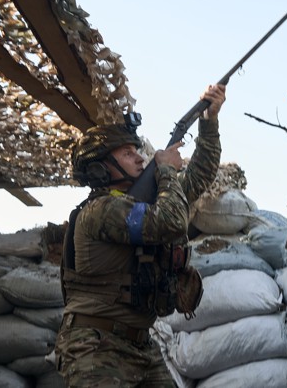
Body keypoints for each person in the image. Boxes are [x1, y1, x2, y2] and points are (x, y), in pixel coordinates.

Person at [55, 84, 226, 387]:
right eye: (127, 153)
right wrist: (166, 172)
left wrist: (208, 121)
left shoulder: (143, 202)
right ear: (101, 168)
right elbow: (171, 222)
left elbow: (199, 177)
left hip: (139, 345)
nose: (138, 158)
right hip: (96, 347)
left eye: (137, 151)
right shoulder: (101, 211)